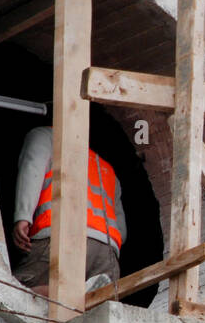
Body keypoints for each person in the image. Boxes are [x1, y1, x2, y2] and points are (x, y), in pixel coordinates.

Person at [12, 125, 125, 298]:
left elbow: (32, 167)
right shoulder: (105, 167)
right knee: (96, 309)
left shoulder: (45, 136)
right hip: (106, 251)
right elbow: (121, 229)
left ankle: (69, 294)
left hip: (60, 237)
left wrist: (23, 216)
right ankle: (85, 293)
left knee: (13, 290)